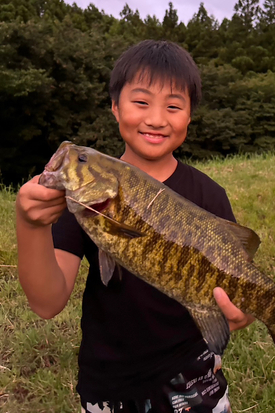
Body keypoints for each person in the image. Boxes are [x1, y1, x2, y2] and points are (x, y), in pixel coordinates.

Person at [16, 40, 254, 413]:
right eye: (141, 102)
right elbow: (46, 303)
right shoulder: (82, 200)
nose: (156, 118)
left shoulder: (209, 194)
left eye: (173, 106)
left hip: (195, 379)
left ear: (189, 116)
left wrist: (248, 308)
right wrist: (29, 225)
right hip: (110, 382)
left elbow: (241, 285)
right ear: (115, 107)